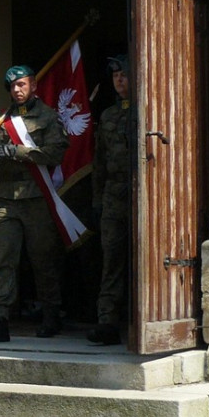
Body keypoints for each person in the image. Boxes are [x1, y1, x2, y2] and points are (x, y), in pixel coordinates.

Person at [0, 65, 69, 343]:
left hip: (37, 198)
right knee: (4, 259)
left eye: (22, 85)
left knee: (42, 260)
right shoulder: (2, 119)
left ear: (34, 85)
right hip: (6, 201)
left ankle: (52, 314)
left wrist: (18, 151)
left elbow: (56, 153)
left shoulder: (48, 117)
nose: (17, 90)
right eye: (12, 86)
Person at [88, 55, 132, 345]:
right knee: (112, 260)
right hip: (113, 196)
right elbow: (99, 161)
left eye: (124, 74)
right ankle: (107, 321)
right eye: (115, 75)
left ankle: (139, 319)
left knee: (145, 259)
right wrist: (97, 200)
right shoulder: (107, 116)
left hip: (142, 194)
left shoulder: (147, 111)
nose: (119, 79)